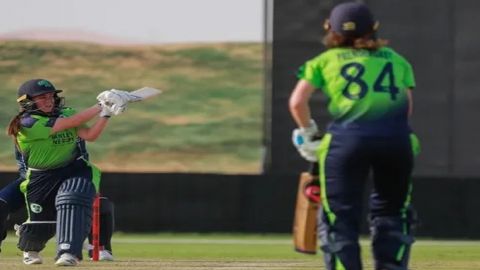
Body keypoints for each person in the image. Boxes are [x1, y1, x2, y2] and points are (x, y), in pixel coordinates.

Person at [289, 2, 420, 270]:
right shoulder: (397, 60)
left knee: (341, 216)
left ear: (330, 29)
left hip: (346, 142)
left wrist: (308, 134)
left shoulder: (324, 61)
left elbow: (297, 102)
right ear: (374, 29)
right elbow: (406, 108)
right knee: (393, 213)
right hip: (395, 142)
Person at [5, 78, 129, 266]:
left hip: (72, 169)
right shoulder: (27, 123)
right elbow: (71, 122)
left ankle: (70, 251)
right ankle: (30, 247)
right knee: (38, 231)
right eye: (42, 98)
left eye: (51, 96)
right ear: (28, 101)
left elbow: (90, 135)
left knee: (74, 199)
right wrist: (101, 105)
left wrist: (106, 113)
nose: (49, 100)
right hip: (41, 177)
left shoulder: (66, 113)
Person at [0, 140, 115, 262]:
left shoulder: (69, 125)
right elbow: (24, 167)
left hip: (68, 178)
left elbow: (83, 156)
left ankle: (100, 249)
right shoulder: (26, 129)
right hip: (35, 180)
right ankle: (30, 246)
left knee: (99, 203)